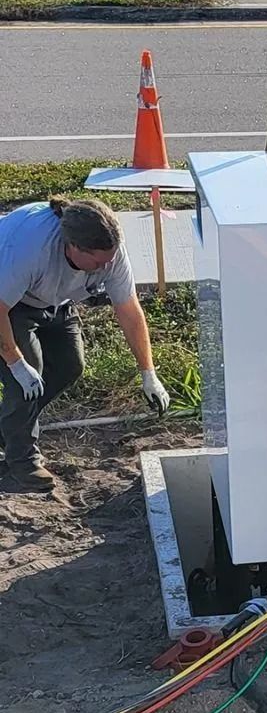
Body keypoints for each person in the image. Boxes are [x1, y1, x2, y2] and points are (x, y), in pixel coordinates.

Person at [0, 196, 170, 492]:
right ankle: (23, 463)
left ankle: (10, 427)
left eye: (110, 258)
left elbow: (128, 309)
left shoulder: (110, 252)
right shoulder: (30, 248)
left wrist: (148, 373)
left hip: (56, 300)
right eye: (98, 262)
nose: (106, 266)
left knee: (70, 365)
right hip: (11, 303)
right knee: (26, 375)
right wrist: (16, 363)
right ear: (73, 247)